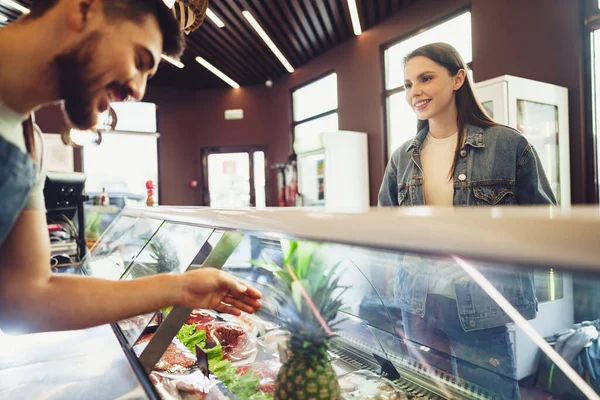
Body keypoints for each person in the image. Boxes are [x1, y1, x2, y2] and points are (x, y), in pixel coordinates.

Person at [0, 0, 261, 334]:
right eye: (139, 61)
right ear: (83, 9)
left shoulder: (29, 145)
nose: (138, 90)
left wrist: (180, 288)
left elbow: (27, 296)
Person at [378, 42, 556, 399]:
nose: (416, 92)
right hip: (419, 306)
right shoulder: (402, 156)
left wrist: (484, 259)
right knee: (426, 395)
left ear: (458, 78)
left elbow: (544, 224)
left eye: (426, 78)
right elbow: (385, 227)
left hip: (482, 307)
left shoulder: (509, 145)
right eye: (408, 84)